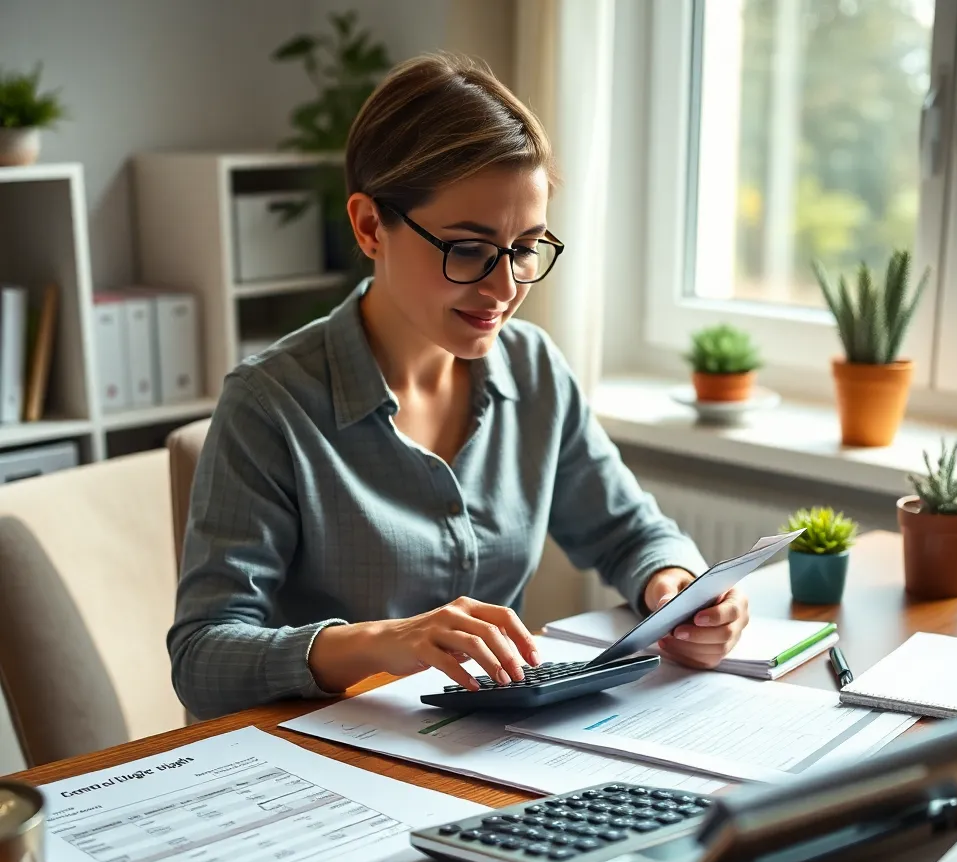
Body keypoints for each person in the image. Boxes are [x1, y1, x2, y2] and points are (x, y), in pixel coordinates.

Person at [168, 52, 750, 720]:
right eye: (468, 248)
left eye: (527, 246)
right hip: (320, 766)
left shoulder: (532, 371)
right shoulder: (271, 405)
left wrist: (677, 591)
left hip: (488, 752)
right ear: (368, 227)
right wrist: (386, 642)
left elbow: (629, 534)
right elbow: (202, 656)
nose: (504, 288)